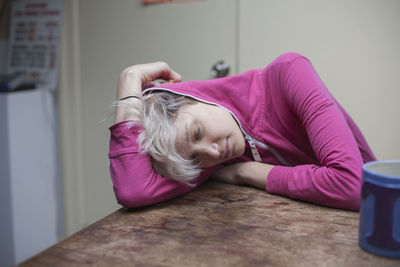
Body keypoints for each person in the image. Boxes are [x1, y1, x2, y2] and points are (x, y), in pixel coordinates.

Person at [109, 52, 376, 211]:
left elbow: (352, 185)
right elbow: (134, 190)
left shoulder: (289, 73)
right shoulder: (212, 155)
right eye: (194, 159)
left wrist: (245, 172)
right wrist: (129, 86)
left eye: (197, 132)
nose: (212, 153)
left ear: (195, 97)